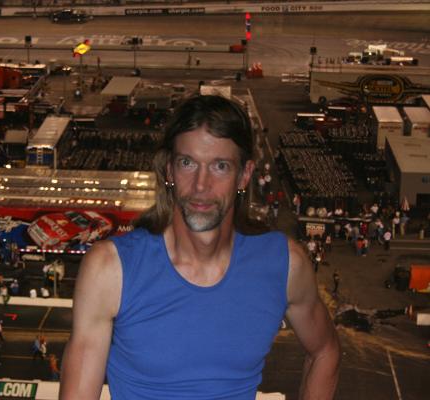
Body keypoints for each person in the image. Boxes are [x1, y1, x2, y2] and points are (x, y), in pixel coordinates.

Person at [60, 95, 340, 399]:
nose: (201, 185)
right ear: (169, 170)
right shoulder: (110, 269)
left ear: (244, 175)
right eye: (187, 163)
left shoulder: (284, 264)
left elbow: (325, 351)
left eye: (220, 166)